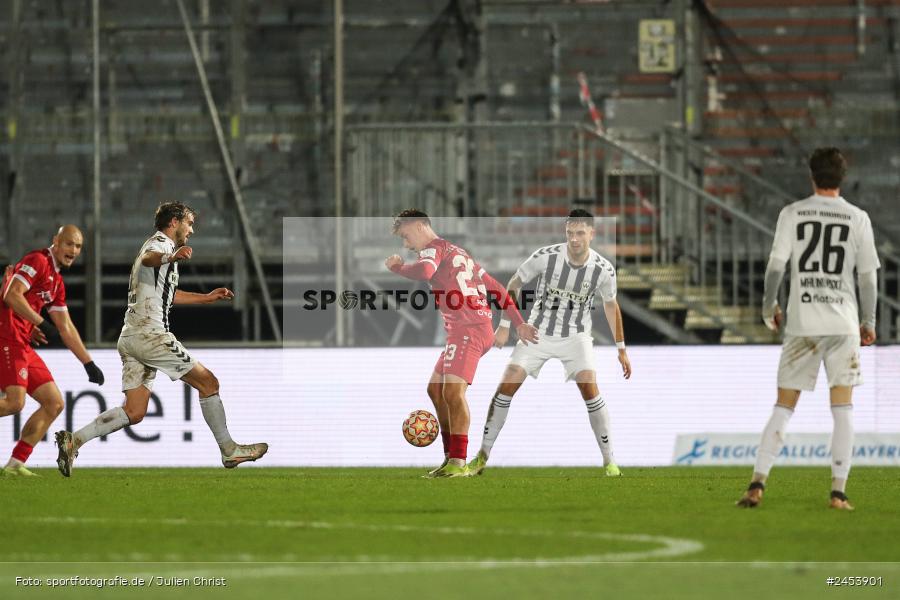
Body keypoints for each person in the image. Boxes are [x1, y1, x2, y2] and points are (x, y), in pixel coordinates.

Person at [54, 202, 267, 476]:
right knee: (209, 382)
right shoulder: (161, 245)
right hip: (150, 334)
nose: (191, 229)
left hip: (131, 335)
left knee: (135, 411)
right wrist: (172, 257)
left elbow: (167, 294)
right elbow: (150, 259)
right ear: (174, 222)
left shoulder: (163, 249)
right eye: (188, 223)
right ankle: (229, 450)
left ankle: (74, 441)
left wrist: (206, 297)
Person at [736, 147, 879, 511]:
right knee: (843, 408)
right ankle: (838, 493)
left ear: (811, 176)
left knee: (784, 407)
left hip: (802, 323)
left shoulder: (793, 213)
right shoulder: (857, 217)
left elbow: (775, 267)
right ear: (842, 178)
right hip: (843, 323)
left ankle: (757, 485)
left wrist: (769, 305)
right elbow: (867, 278)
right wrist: (869, 321)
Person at [468, 209, 631, 477]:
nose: (574, 239)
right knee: (506, 384)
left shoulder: (603, 269)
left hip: (576, 337)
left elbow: (612, 306)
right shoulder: (547, 256)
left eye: (580, 233)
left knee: (590, 388)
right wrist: (507, 325)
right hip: (538, 333)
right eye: (570, 233)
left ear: (592, 233)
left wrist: (621, 350)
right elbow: (514, 283)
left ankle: (610, 461)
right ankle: (481, 457)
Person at [386, 209, 539, 478]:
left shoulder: (432, 250)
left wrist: (397, 267)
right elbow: (497, 288)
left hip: (468, 329)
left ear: (420, 226)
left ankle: (458, 461)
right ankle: (450, 457)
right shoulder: (458, 252)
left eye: (406, 236)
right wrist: (519, 323)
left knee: (453, 394)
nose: (406, 245)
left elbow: (424, 271)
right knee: (436, 390)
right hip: (467, 328)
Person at [0, 226, 105, 476]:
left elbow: (65, 327)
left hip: (21, 341)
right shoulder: (38, 260)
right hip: (6, 337)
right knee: (15, 402)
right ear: (55, 242)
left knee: (54, 403)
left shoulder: (56, 283)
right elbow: (10, 294)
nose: (73, 251)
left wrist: (87, 362)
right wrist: (40, 322)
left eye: (78, 247)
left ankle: (15, 465)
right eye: (69, 244)